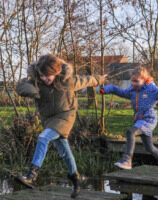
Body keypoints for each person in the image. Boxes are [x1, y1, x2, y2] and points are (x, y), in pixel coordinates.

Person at [15, 54, 106, 198]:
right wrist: (32, 91)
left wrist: (100, 79)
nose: (45, 79)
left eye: (48, 76)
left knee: (43, 137)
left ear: (56, 72)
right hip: (49, 119)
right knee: (64, 149)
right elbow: (21, 86)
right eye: (42, 75)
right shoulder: (37, 82)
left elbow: (87, 80)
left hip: (65, 116)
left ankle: (31, 175)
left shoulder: (67, 81)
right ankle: (76, 178)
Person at [100, 67, 158, 174]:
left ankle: (127, 160)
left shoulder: (151, 89)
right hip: (140, 120)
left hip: (149, 119)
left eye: (136, 81)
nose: (133, 83)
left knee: (131, 131)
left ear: (145, 80)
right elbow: (120, 91)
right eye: (132, 80)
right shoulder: (132, 90)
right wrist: (107, 89)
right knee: (149, 147)